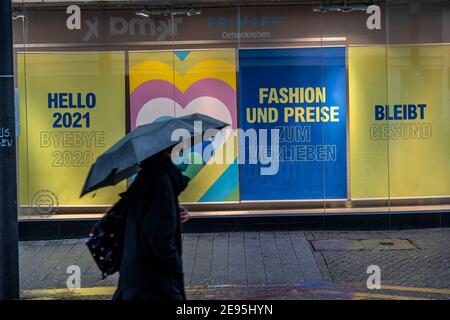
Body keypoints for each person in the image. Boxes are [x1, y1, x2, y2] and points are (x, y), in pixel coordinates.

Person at [113, 148, 190, 300]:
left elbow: (144, 216)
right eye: (178, 150)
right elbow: (159, 238)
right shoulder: (161, 179)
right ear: (167, 153)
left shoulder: (145, 176)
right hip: (153, 278)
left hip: (135, 274)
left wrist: (172, 212)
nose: (182, 152)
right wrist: (174, 269)